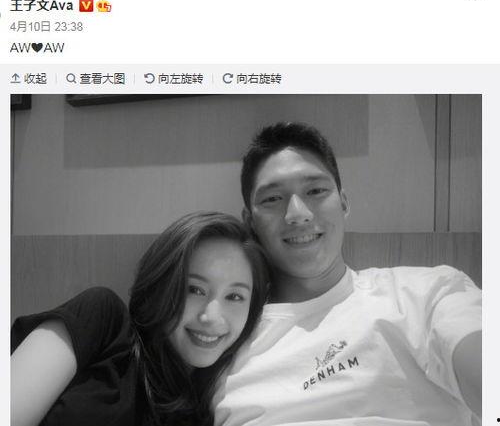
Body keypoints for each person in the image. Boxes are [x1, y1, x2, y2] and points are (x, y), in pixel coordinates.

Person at [213, 122, 482, 426]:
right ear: (250, 221)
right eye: (273, 199)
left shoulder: (426, 295)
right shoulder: (219, 338)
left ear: (343, 203)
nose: (297, 213)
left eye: (316, 191)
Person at [11, 211, 270, 426]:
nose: (211, 317)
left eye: (235, 296)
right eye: (194, 289)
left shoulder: (211, 410)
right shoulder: (102, 320)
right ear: (161, 285)